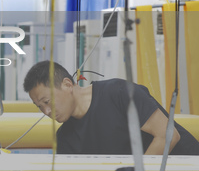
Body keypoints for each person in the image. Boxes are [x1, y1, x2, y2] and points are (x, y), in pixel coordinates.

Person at [22, 60, 199, 155]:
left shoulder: (118, 93)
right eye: (40, 107)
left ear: (67, 85)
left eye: (47, 101)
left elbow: (168, 135)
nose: (46, 111)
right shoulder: (65, 139)